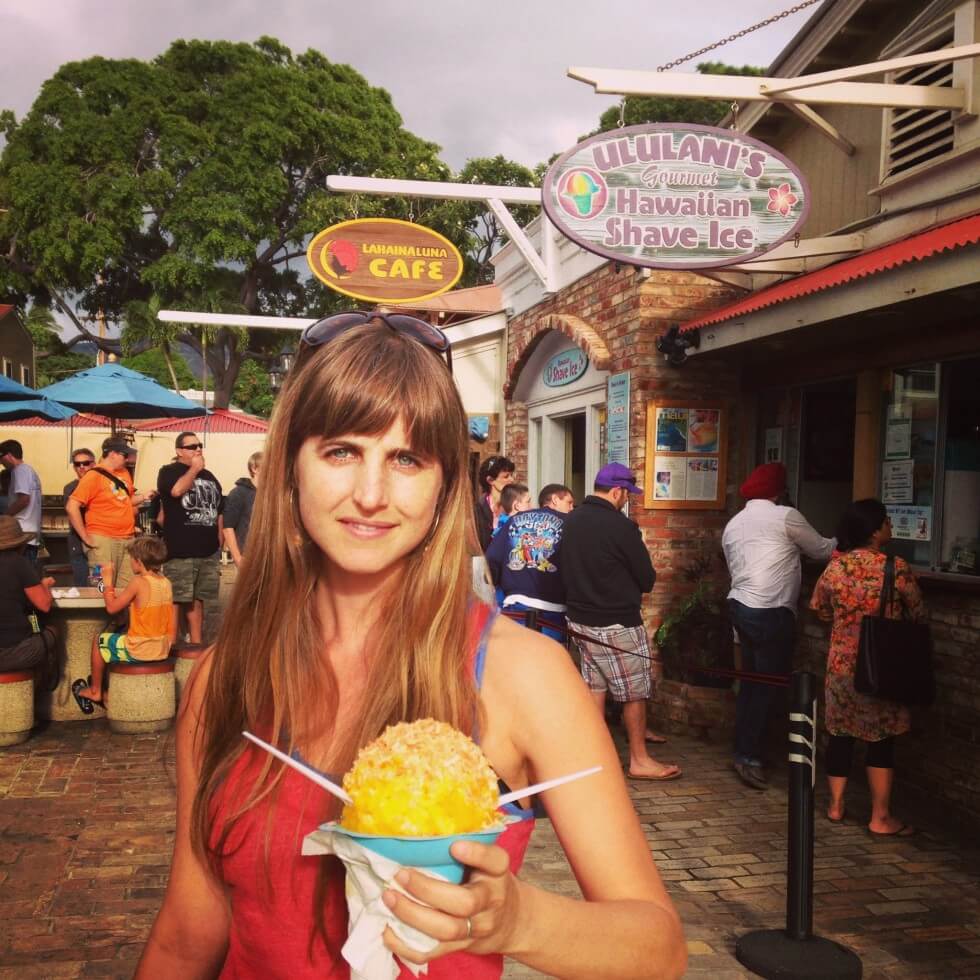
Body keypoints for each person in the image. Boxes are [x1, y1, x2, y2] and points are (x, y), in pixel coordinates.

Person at [136, 313, 686, 980]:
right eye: (342, 451)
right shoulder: (223, 677)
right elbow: (191, 929)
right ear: (290, 472)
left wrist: (516, 921)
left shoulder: (521, 673)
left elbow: (656, 948)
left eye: (406, 459)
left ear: (445, 485)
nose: (370, 495)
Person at [810, 499, 925, 836]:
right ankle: (880, 816)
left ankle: (835, 805)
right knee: (881, 739)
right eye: (887, 522)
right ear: (874, 531)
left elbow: (819, 607)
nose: (890, 527)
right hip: (883, 667)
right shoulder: (895, 567)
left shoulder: (837, 568)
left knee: (840, 734)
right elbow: (919, 614)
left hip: (842, 665)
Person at [560, 463, 680, 782]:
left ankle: (592, 756)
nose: (628, 501)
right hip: (616, 621)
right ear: (616, 492)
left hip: (579, 619)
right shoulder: (621, 527)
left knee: (595, 687)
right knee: (634, 692)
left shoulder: (570, 521)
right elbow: (646, 578)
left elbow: (561, 566)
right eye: (628, 495)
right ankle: (639, 759)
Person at [722, 462, 835, 790]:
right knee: (768, 686)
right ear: (778, 490)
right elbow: (821, 549)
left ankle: (747, 750)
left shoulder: (734, 524)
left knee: (752, 684)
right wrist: (852, 541)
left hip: (740, 607)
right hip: (770, 610)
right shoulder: (785, 516)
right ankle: (749, 755)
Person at [75, 535, 176, 706]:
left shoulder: (138, 582)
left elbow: (112, 608)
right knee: (120, 633)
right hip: (161, 648)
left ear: (138, 561)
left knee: (100, 642)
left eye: (131, 559)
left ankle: (95, 691)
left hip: (141, 650)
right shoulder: (166, 582)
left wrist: (107, 582)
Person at [157, 433, 223, 646]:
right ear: (179, 451)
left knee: (198, 600)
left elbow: (219, 509)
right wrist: (194, 469)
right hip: (181, 549)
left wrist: (219, 539)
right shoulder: (168, 472)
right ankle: (171, 645)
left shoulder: (210, 476)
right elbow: (176, 491)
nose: (197, 449)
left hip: (206, 549)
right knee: (177, 598)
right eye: (191, 446)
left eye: (200, 445)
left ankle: (195, 645)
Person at [67, 437, 155, 592]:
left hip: (127, 538)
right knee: (100, 588)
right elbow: (72, 506)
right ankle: (101, 616)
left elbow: (125, 500)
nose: (128, 459)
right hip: (102, 539)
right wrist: (85, 536)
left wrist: (143, 497)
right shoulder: (93, 476)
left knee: (126, 588)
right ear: (113, 454)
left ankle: (119, 616)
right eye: (125, 455)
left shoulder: (124, 473)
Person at [485, 486, 570, 644]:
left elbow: (491, 560)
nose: (572, 508)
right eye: (569, 503)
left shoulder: (515, 520)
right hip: (554, 609)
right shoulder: (569, 523)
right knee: (549, 662)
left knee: (516, 659)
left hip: (516, 603)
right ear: (555, 500)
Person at [0, 515, 59, 686]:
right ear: (19, 544)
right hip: (12, 652)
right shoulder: (19, 563)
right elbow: (44, 605)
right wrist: (44, 585)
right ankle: (42, 691)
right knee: (53, 632)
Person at [0, 439, 42, 565]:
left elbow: (24, 500)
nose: (1, 463)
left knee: (19, 576)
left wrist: (4, 517)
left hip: (21, 534)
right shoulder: (29, 470)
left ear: (8, 456)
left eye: (1, 458)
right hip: (30, 533)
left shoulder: (19, 471)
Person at [63, 448, 97, 587]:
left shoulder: (100, 484)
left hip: (97, 540)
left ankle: (99, 607)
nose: (82, 467)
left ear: (93, 464)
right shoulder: (70, 487)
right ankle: (82, 609)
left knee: (98, 582)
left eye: (86, 463)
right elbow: (72, 511)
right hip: (78, 540)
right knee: (81, 582)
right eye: (78, 464)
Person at [222, 451, 262, 567]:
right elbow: (228, 527)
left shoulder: (272, 495)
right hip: (248, 558)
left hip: (270, 557)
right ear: (254, 468)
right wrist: (238, 558)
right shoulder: (239, 493)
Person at [474, 455, 516, 551]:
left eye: (511, 475)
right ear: (490, 480)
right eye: (506, 476)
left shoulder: (516, 505)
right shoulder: (477, 510)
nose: (512, 480)